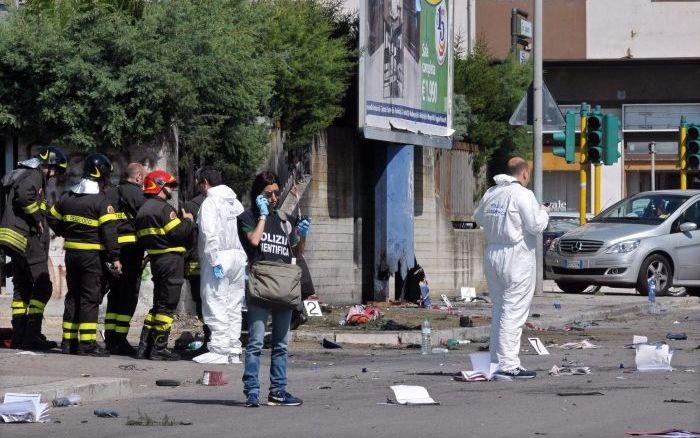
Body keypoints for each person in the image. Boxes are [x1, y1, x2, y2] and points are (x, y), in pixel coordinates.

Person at [473, 157, 548, 379]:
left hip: (493, 252)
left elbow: (479, 218)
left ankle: (496, 359)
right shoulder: (523, 194)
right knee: (513, 311)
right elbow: (535, 226)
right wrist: (544, 211)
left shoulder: (493, 192)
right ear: (524, 174)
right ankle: (508, 363)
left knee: (499, 309)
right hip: (516, 256)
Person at [238, 171, 309, 407]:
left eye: (277, 193)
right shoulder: (247, 217)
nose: (274, 197)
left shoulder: (284, 220)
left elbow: (297, 253)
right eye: (268, 193)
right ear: (258, 194)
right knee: (256, 342)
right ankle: (252, 392)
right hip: (261, 285)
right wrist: (262, 216)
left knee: (281, 344)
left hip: (284, 285)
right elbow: (254, 242)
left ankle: (278, 391)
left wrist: (302, 234)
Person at [48, 153, 121, 356]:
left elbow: (51, 217)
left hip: (71, 255)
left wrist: (65, 231)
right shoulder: (101, 202)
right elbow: (109, 233)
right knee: (90, 298)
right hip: (92, 258)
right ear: (101, 174)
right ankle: (87, 344)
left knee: (73, 297)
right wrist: (115, 257)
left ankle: (68, 342)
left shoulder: (67, 197)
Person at [0, 146, 67, 350]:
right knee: (43, 284)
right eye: (54, 170)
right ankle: (32, 334)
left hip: (14, 238)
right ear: (48, 165)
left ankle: (19, 334)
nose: (54, 175)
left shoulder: (21, 174)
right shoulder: (34, 174)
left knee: (22, 287)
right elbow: (24, 196)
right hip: (26, 238)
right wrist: (37, 219)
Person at [134, 170, 194, 361]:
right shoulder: (164, 209)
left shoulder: (143, 210)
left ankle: (145, 347)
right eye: (169, 185)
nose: (171, 190)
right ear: (159, 185)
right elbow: (178, 233)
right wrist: (188, 221)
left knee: (158, 305)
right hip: (171, 261)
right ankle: (159, 349)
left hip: (157, 260)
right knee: (167, 306)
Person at [192, 166, 246, 364]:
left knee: (215, 301)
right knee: (233, 304)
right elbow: (244, 229)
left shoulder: (210, 202)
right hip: (238, 257)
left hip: (219, 257)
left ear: (204, 182)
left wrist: (214, 261)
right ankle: (233, 349)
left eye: (198, 183)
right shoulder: (236, 202)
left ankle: (219, 350)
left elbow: (208, 233)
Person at [102, 163, 146, 355]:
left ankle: (110, 337)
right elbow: (147, 219)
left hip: (110, 250)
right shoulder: (138, 195)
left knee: (113, 294)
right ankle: (120, 339)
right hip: (131, 251)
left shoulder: (108, 193)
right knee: (128, 295)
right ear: (137, 178)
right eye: (143, 178)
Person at [182, 171, 208, 351]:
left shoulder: (190, 205)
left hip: (196, 263)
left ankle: (208, 339)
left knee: (201, 303)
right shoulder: (229, 204)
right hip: (218, 264)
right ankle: (215, 339)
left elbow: (185, 236)